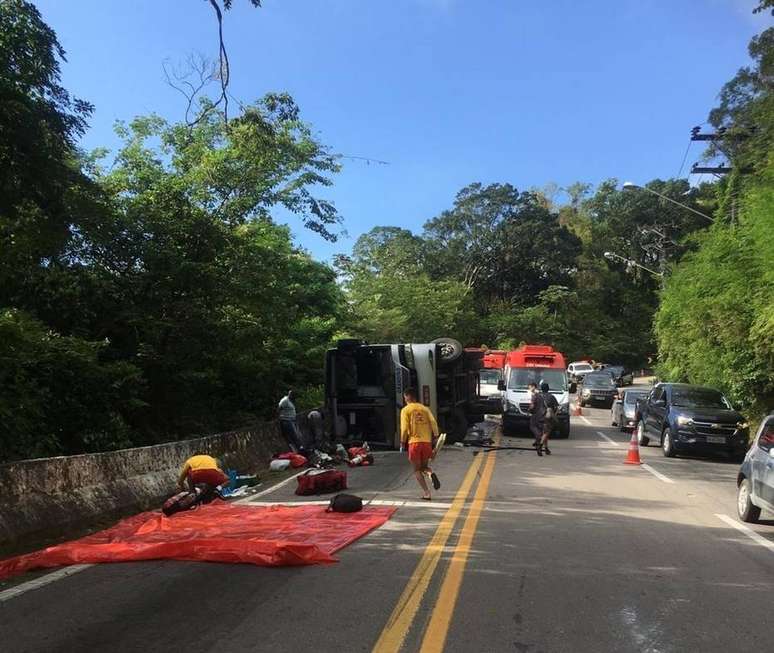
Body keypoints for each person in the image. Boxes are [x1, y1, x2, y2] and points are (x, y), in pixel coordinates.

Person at [400, 387, 440, 501]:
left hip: (414, 443)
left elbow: (404, 428)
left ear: (408, 397)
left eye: (405, 397)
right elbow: (433, 422)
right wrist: (436, 436)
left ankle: (427, 493)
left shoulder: (405, 410)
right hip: (426, 443)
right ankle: (430, 473)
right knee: (424, 467)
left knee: (417, 470)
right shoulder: (425, 408)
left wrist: (402, 442)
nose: (404, 399)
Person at [537, 381, 559, 455]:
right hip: (547, 417)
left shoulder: (538, 396)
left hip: (539, 417)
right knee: (546, 432)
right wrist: (554, 414)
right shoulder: (551, 396)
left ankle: (546, 449)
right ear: (548, 389)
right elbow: (557, 407)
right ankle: (540, 447)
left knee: (544, 432)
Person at [527, 382, 543, 454]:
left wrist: (529, 410)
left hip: (536, 414)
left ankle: (538, 439)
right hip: (542, 414)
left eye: (530, 387)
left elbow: (532, 405)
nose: (529, 389)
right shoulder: (541, 394)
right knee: (539, 427)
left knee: (533, 427)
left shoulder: (535, 395)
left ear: (533, 387)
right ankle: (537, 441)